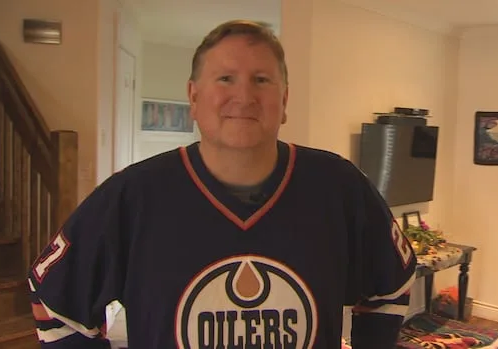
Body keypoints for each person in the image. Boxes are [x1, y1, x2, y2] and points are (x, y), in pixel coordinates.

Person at [28, 19, 417, 349]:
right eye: (225, 78)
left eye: (261, 80)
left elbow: (390, 285)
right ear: (194, 98)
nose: (243, 95)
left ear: (284, 101)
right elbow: (55, 302)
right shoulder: (131, 196)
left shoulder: (339, 187)